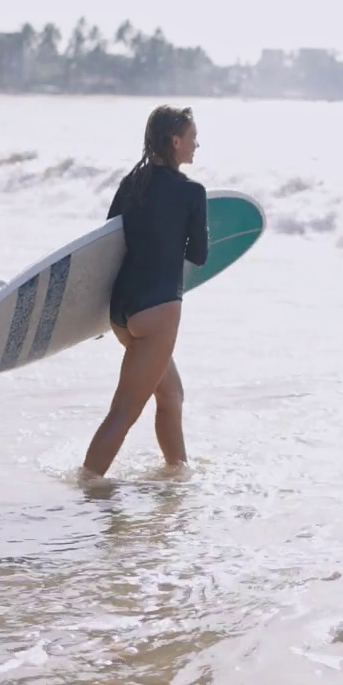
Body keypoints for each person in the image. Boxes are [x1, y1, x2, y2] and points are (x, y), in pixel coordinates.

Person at [82, 105, 208, 477]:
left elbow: (106, 243)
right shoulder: (192, 192)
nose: (197, 144)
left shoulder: (131, 183)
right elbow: (199, 255)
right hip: (157, 312)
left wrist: (87, 317)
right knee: (124, 411)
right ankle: (88, 486)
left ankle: (177, 476)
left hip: (122, 310)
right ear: (175, 140)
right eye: (193, 137)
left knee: (171, 394)